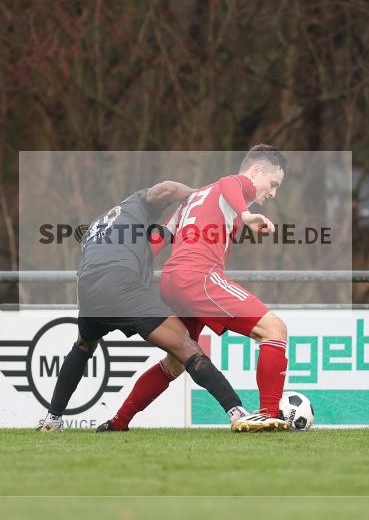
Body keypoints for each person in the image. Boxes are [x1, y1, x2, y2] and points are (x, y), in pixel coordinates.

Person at [37, 180, 275, 432]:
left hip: (87, 290)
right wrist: (199, 196)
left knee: (83, 346)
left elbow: (154, 240)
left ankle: (53, 419)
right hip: (121, 285)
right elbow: (167, 189)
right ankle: (237, 412)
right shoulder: (135, 203)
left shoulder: (97, 227)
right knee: (186, 347)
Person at [98, 145, 291, 432]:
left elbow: (161, 236)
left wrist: (128, 269)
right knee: (274, 329)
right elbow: (230, 182)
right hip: (198, 277)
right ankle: (270, 416)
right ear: (255, 171)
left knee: (176, 362)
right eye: (273, 183)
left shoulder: (195, 197)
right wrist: (245, 214)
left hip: (173, 280)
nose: (273, 193)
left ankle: (118, 422)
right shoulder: (235, 186)